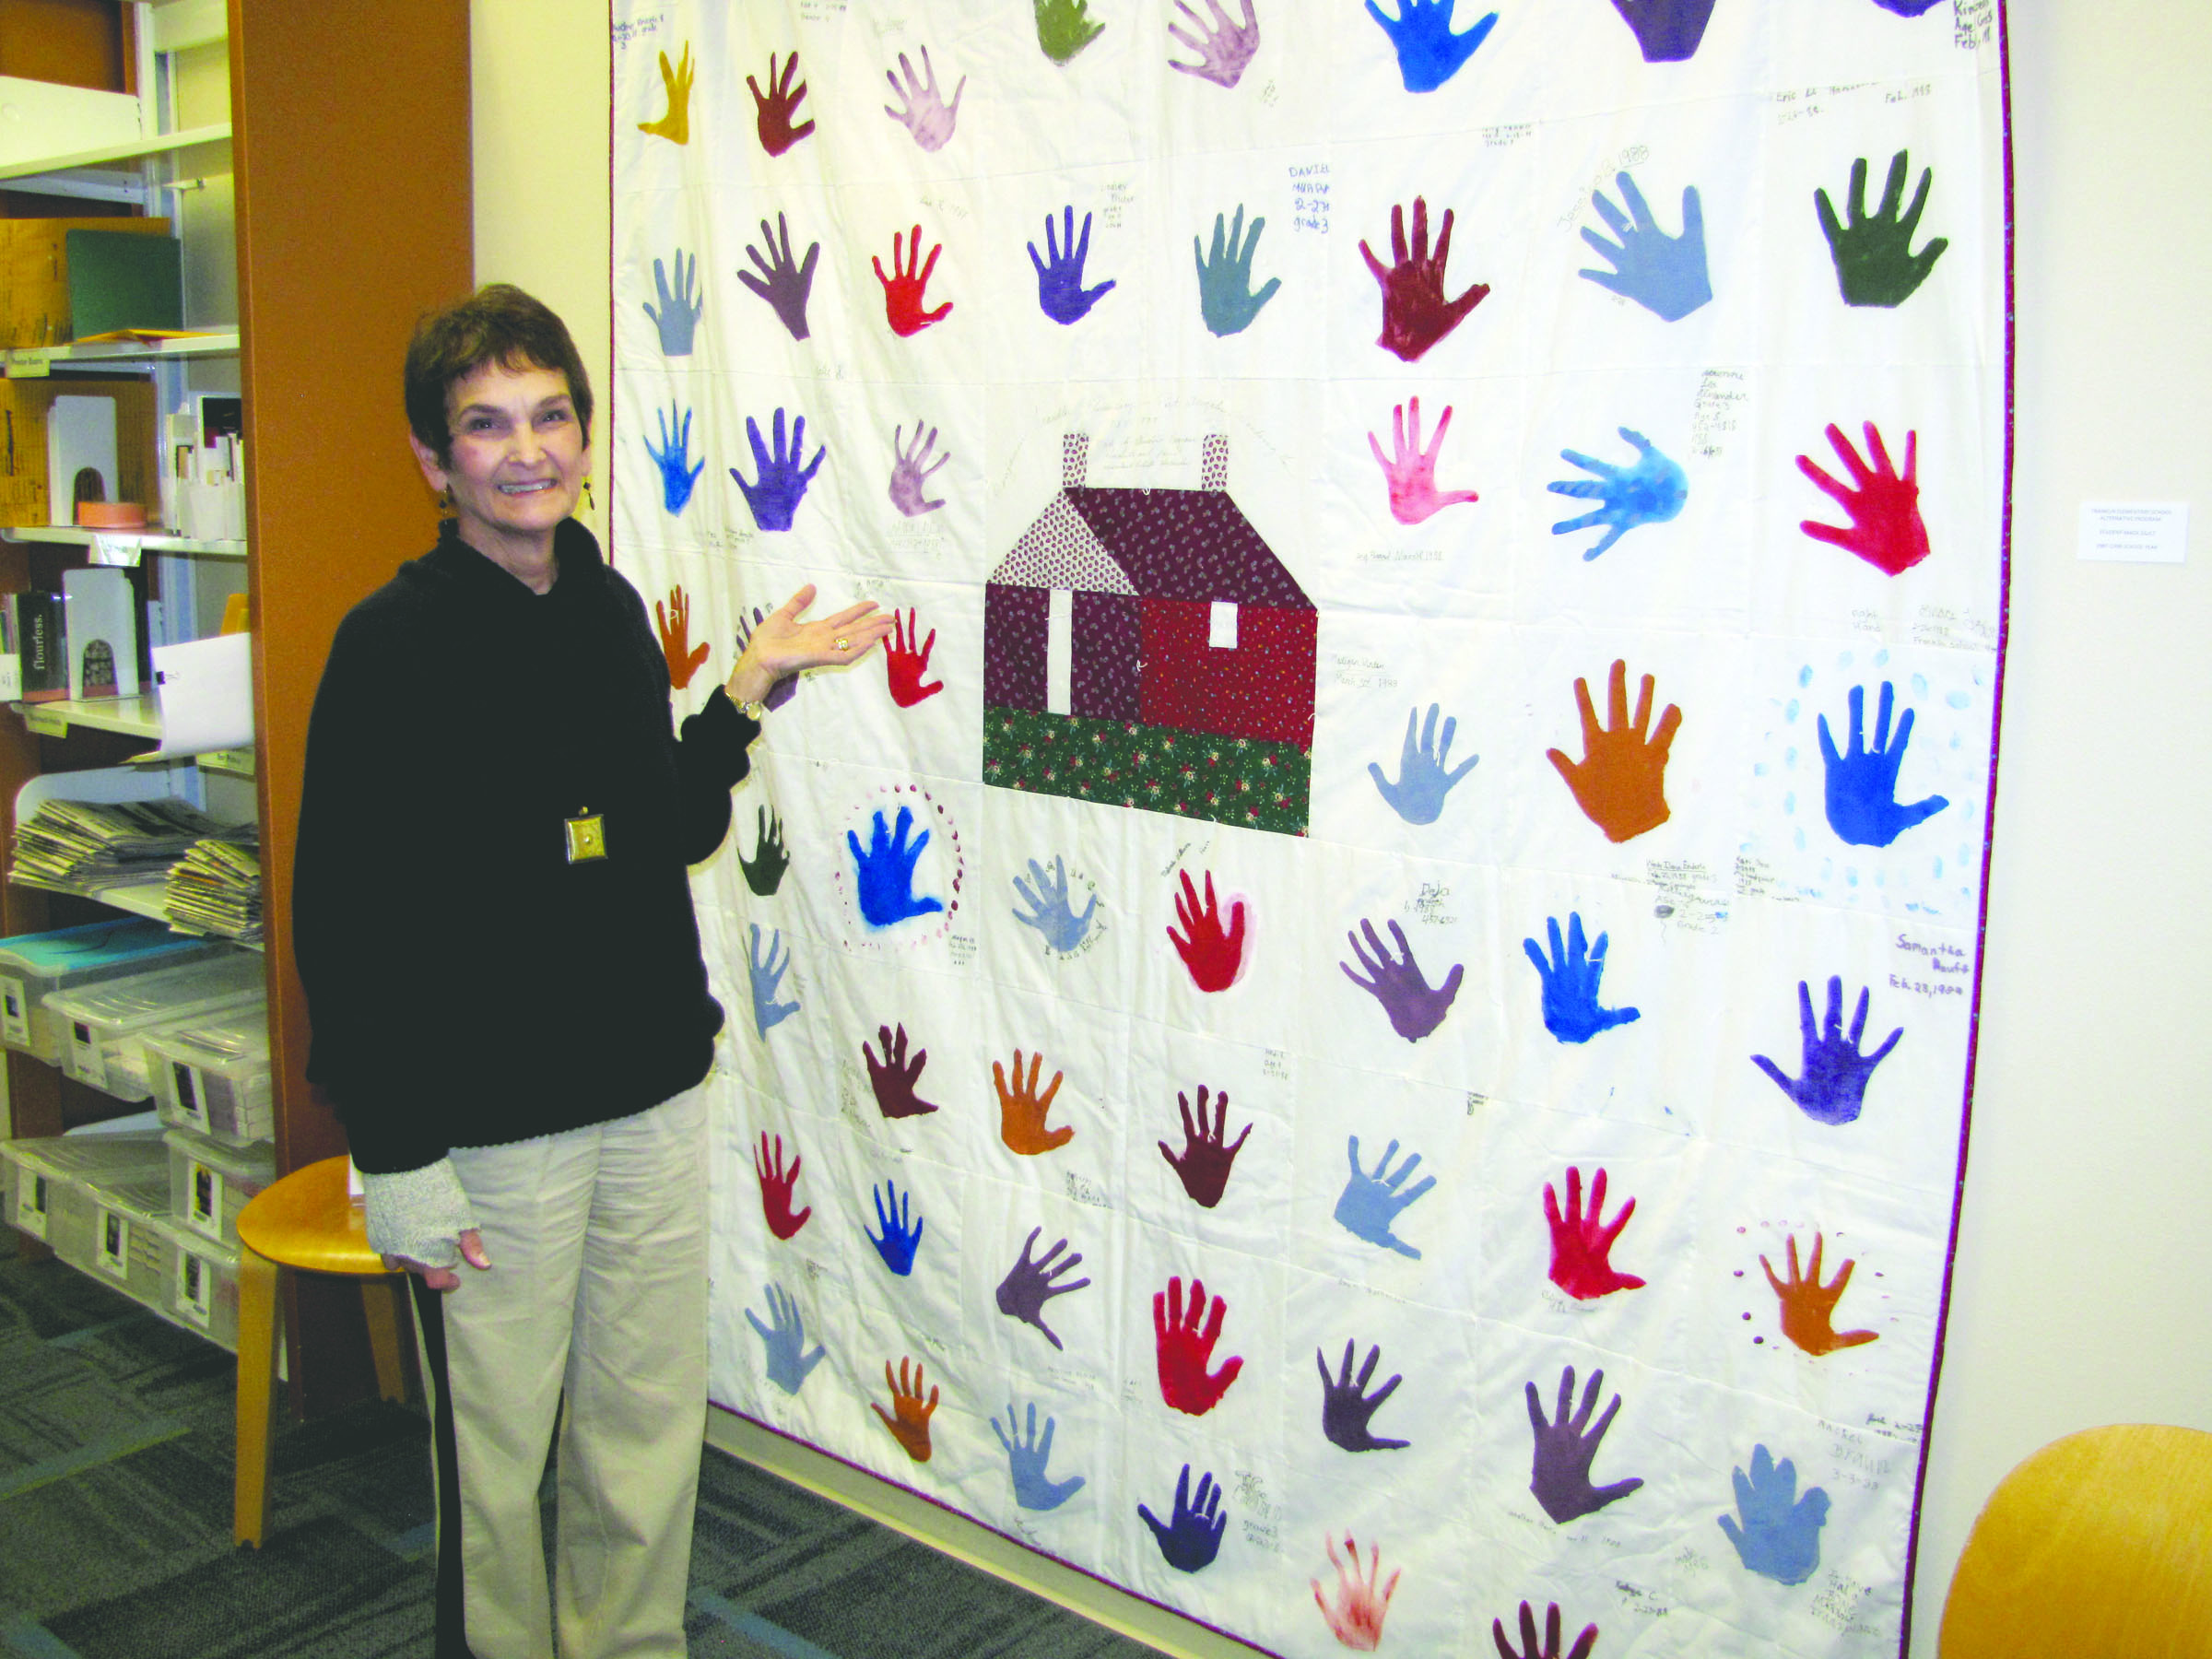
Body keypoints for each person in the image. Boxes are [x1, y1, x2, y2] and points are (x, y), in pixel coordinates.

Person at [292, 283, 889, 1659]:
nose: (528, 449)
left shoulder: (610, 609)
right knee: (496, 1465)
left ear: (580, 429)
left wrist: (740, 698)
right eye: (486, 426)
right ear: (435, 466)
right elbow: (345, 915)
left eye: (550, 415)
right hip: (487, 1132)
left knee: (639, 1426)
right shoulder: (389, 646)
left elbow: (661, 828)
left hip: (647, 1092)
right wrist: (398, 1156)